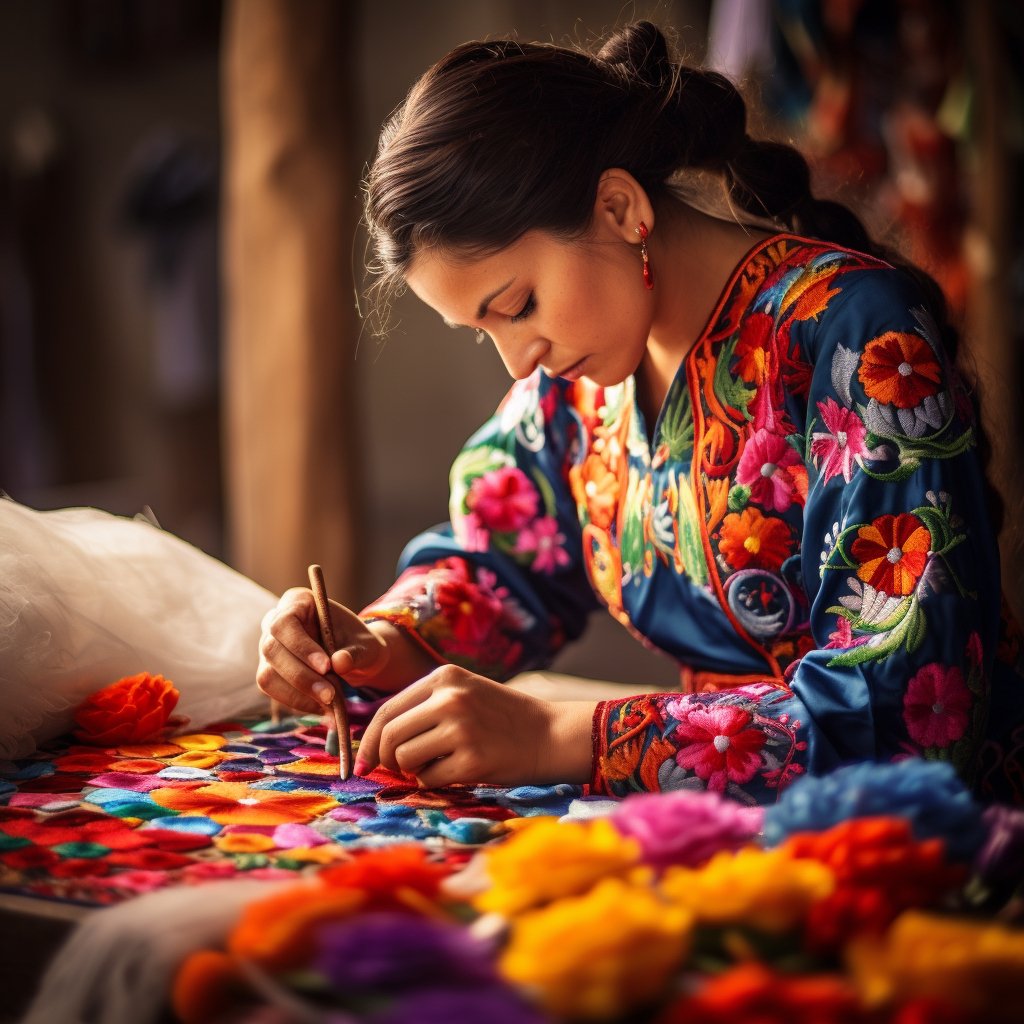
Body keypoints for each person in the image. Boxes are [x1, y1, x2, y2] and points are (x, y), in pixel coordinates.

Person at [256, 22, 1024, 805]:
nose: (518, 360)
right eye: (484, 330)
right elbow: (501, 566)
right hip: (724, 825)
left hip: (932, 844)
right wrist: (375, 645)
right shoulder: (575, 384)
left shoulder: (854, 335)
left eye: (518, 306)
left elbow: (908, 721)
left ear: (620, 208)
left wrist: (560, 735)